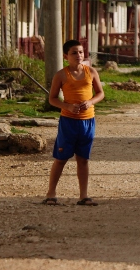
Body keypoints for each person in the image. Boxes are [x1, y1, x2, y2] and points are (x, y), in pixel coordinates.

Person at [43, 39, 105, 206]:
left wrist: (90, 102)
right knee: (61, 159)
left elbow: (100, 93)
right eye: (74, 53)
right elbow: (52, 99)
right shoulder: (61, 75)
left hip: (88, 122)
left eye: (81, 52)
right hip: (68, 122)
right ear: (66, 56)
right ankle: (51, 193)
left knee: (83, 159)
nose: (79, 55)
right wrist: (67, 106)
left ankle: (83, 196)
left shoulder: (91, 71)